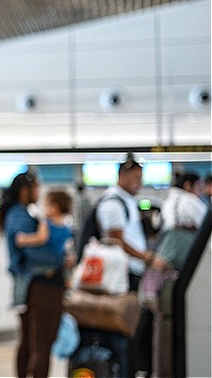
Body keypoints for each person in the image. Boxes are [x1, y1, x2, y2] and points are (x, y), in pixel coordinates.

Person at [96, 155, 168, 377]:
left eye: (141, 178)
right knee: (123, 331)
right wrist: (147, 257)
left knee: (132, 330)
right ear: (122, 175)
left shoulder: (127, 201)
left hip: (131, 274)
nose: (139, 183)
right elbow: (116, 241)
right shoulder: (112, 203)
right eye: (135, 178)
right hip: (121, 276)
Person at [0, 171, 65, 378]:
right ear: (25, 191)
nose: (39, 192)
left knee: (28, 343)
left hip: (30, 286)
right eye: (36, 188)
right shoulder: (20, 216)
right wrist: (60, 259)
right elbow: (31, 252)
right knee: (42, 345)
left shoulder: (18, 214)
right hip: (42, 285)